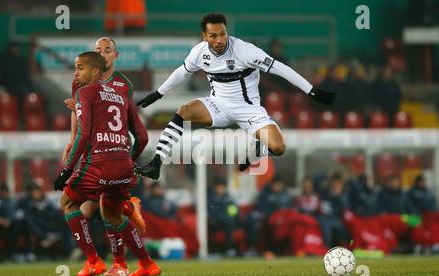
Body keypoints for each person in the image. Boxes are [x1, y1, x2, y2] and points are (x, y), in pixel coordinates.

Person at [135, 13, 335, 179]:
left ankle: (256, 151)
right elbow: (182, 71)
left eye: (223, 34)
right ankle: (156, 163)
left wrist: (311, 90)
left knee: (279, 147)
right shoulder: (198, 53)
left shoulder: (244, 50)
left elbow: (279, 68)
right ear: (204, 36)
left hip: (249, 110)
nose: (220, 40)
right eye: (213, 36)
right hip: (218, 105)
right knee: (184, 111)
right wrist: (158, 93)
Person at [54, 51, 160, 276]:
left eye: (80, 67)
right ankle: (147, 264)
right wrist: (127, 160)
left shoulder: (85, 92)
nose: (75, 72)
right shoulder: (122, 96)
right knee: (111, 215)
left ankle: (93, 261)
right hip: (122, 165)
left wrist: (67, 169)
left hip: (98, 164)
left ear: (95, 71)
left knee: (68, 202)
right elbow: (142, 138)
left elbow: (83, 134)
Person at [207, 178, 241, 256]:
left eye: (222, 187)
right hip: (215, 222)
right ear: (215, 188)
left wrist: (234, 216)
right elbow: (212, 213)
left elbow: (235, 210)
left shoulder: (228, 198)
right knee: (229, 222)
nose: (220, 189)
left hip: (228, 221)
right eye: (218, 187)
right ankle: (229, 248)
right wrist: (226, 217)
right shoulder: (210, 198)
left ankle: (247, 249)